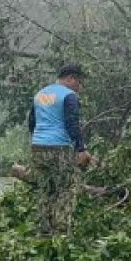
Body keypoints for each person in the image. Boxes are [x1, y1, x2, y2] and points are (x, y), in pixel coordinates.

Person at [28, 63, 92, 236]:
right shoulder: (68, 95)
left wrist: (36, 142)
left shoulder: (40, 94)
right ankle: (61, 233)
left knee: (46, 189)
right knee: (67, 187)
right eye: (79, 82)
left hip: (38, 147)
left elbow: (32, 122)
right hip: (58, 147)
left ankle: (43, 231)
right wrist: (81, 149)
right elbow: (72, 123)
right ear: (71, 78)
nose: (80, 87)